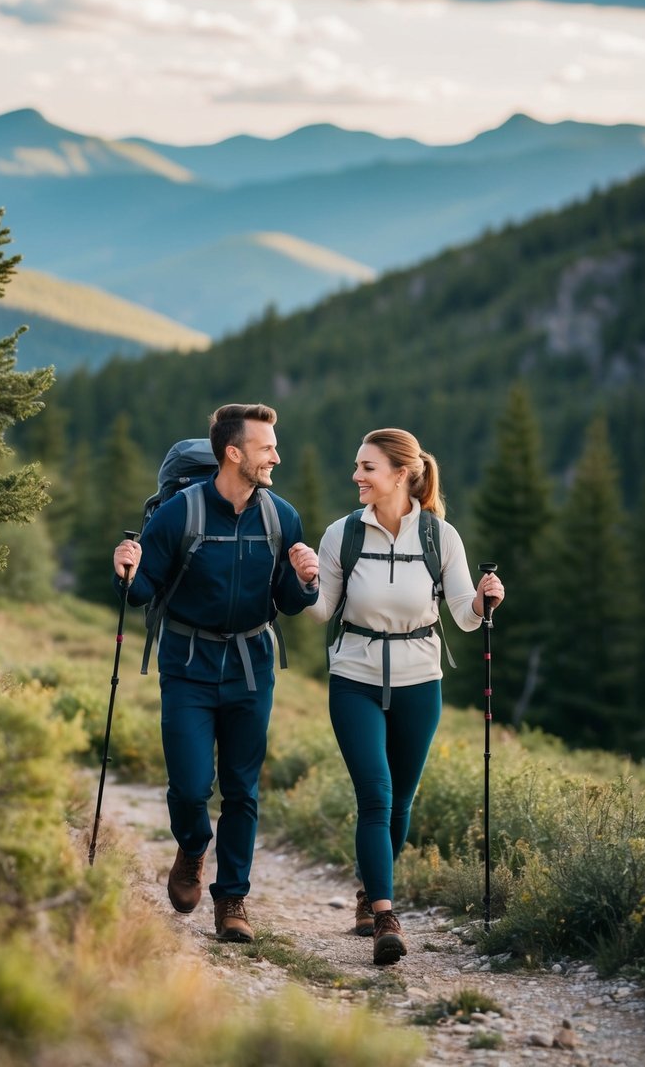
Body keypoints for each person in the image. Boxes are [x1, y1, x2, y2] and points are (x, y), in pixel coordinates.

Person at [292, 427, 504, 966]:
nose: (356, 476)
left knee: (400, 804)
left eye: (367, 467)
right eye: (357, 466)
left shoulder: (439, 536)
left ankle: (368, 890)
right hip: (354, 677)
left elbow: (461, 614)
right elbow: (320, 612)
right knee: (376, 795)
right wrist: (307, 581)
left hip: (419, 681)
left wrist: (483, 600)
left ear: (401, 474)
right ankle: (386, 914)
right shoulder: (342, 534)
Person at [113, 403, 319, 944]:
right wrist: (127, 570)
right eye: (266, 446)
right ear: (234, 453)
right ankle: (192, 845)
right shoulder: (179, 514)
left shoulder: (282, 518)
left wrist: (305, 582)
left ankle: (232, 901)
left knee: (242, 790)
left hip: (253, 667)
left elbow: (288, 602)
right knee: (188, 785)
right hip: (187, 663)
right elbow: (141, 593)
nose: (276, 455)